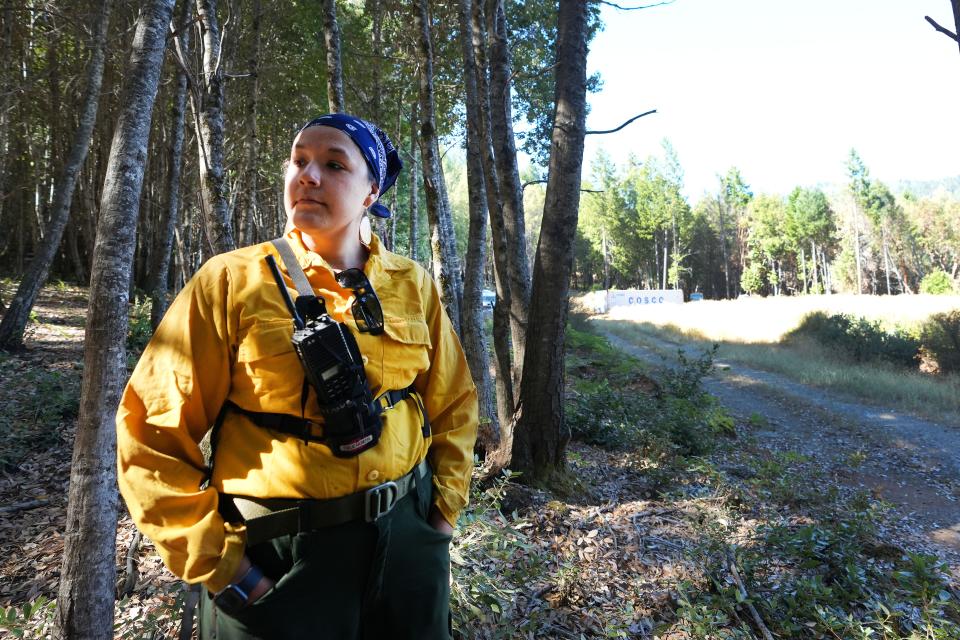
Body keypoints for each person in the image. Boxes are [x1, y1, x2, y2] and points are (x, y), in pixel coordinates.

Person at [117, 113, 478, 639]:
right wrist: (228, 570)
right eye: (299, 160)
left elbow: (454, 402)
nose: (307, 175)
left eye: (333, 164)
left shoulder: (411, 283)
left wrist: (441, 515)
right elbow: (148, 434)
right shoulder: (231, 280)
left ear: (371, 189)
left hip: (408, 537)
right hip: (279, 555)